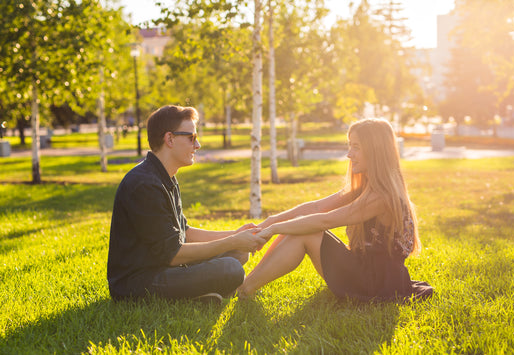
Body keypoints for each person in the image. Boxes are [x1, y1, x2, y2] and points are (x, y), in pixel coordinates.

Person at [238, 118, 433, 302]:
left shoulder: (381, 197)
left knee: (307, 232)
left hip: (375, 284)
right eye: (350, 146)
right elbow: (316, 207)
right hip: (365, 272)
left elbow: (325, 221)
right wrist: (268, 222)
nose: (349, 154)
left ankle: (245, 289)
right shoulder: (365, 188)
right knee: (298, 227)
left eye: (356, 147)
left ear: (375, 151)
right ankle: (244, 285)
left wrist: (273, 230)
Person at [107, 105, 265, 303]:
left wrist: (236, 235)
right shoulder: (144, 184)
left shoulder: (165, 176)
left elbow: (185, 233)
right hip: (138, 283)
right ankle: (192, 298)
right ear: (170, 139)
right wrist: (232, 241)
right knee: (230, 268)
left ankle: (198, 295)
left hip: (164, 267)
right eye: (191, 137)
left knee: (239, 253)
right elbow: (173, 254)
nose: (197, 145)